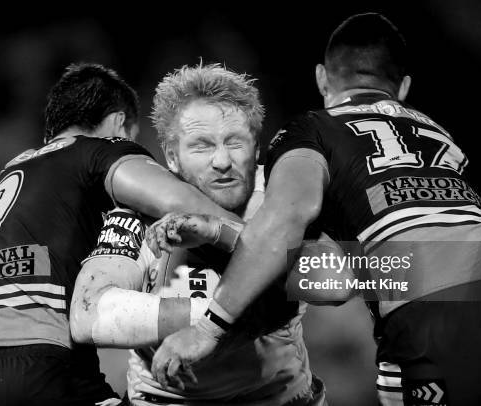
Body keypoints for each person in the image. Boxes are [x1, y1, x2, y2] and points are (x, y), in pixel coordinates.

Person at [149, 13, 481, 406]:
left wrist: (208, 329)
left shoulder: (312, 129)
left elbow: (285, 220)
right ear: (402, 87)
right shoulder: (438, 133)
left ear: (322, 78)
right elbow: (370, 270)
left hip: (432, 313)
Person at [0, 63, 239, 405]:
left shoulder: (15, 168)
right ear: (120, 124)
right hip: (36, 369)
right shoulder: (101, 150)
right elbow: (181, 203)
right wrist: (267, 246)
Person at [70, 63, 327, 405]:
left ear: (256, 146)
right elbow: (90, 317)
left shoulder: (284, 195)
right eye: (202, 146)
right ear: (172, 158)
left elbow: (342, 280)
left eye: (235, 142)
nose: (222, 160)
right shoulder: (141, 209)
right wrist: (213, 322)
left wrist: (220, 233)